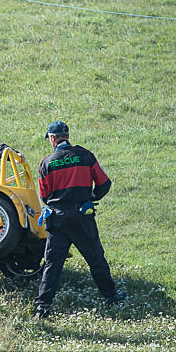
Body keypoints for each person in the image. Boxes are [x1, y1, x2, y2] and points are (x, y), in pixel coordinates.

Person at [34, 121, 127, 317]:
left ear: (52, 138)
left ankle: (42, 307)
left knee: (52, 265)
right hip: (82, 218)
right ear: (66, 136)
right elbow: (104, 184)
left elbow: (44, 196)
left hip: (57, 220)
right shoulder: (85, 156)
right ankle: (111, 297)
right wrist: (90, 198)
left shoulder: (46, 163)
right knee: (96, 259)